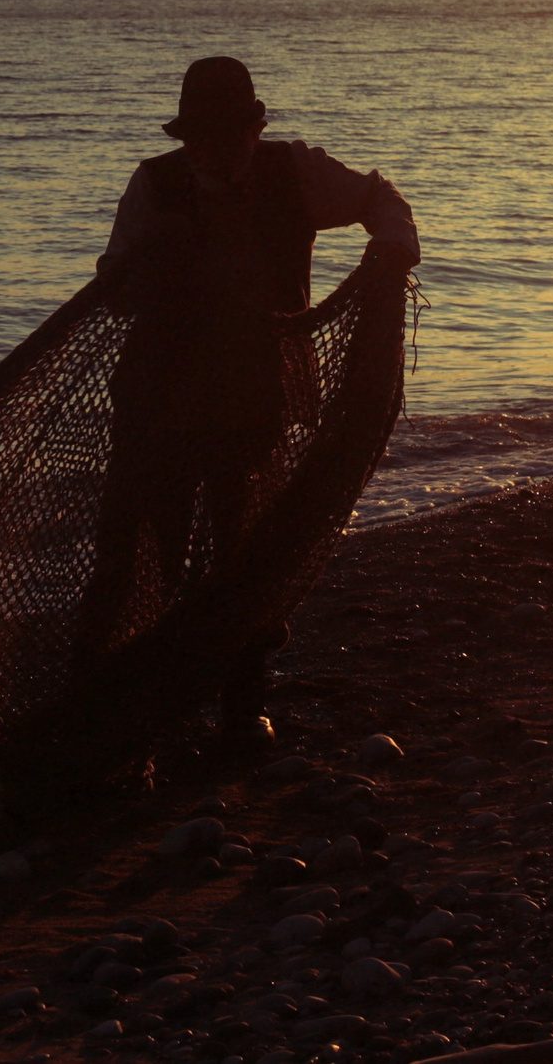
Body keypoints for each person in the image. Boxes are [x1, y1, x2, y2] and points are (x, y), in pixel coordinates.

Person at [81, 55, 420, 747]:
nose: (213, 151)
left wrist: (394, 244)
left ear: (254, 129)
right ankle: (120, 719)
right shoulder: (155, 184)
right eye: (199, 139)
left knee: (247, 558)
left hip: (257, 399)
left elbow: (380, 200)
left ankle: (241, 709)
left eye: (227, 135)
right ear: (186, 138)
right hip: (159, 402)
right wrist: (151, 257)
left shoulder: (294, 172)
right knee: (141, 558)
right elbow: (114, 292)